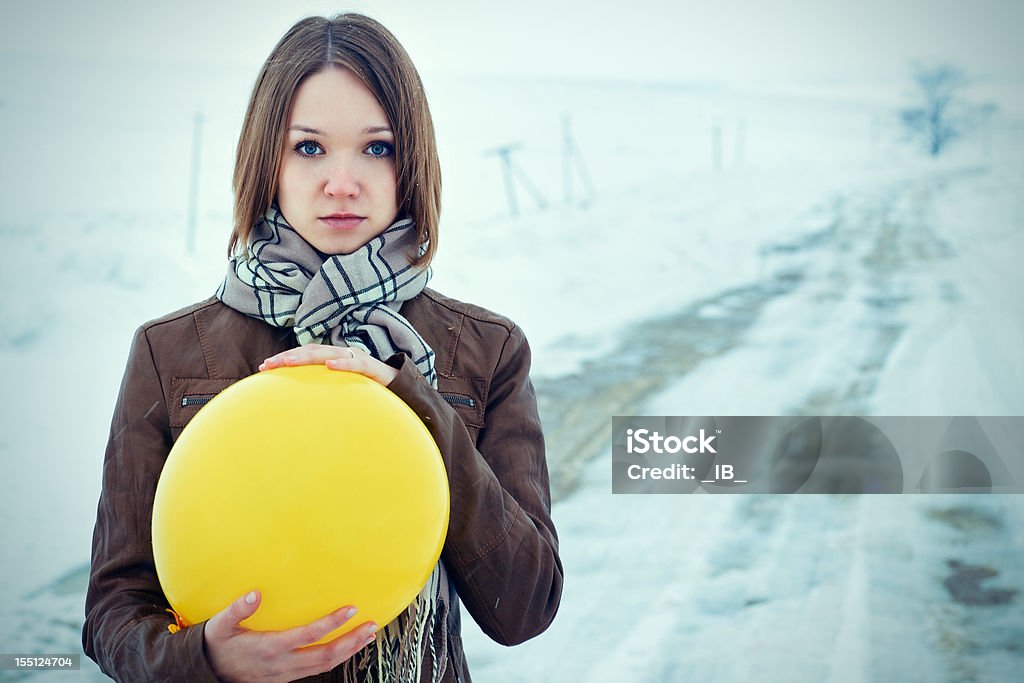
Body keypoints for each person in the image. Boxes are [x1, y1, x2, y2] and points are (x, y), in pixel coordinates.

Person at [82, 13, 562, 683]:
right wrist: (206, 659)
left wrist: (412, 404)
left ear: (412, 161)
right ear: (266, 160)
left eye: (377, 148)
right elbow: (113, 612)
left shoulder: (484, 349)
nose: (343, 181)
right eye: (309, 148)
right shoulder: (170, 353)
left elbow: (526, 605)